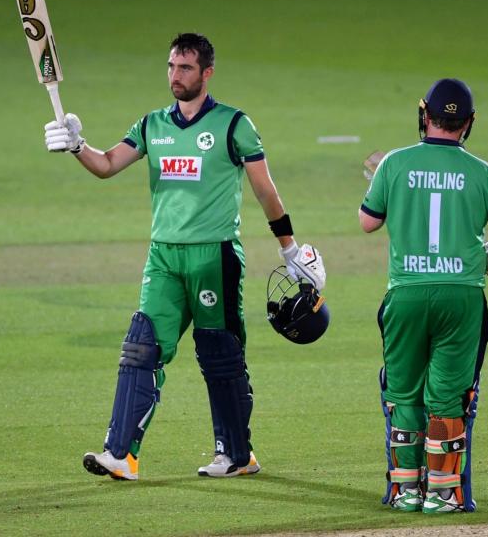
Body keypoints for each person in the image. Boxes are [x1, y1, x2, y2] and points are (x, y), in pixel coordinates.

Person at [43, 33, 326, 481]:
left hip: (215, 256)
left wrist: (288, 246)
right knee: (140, 348)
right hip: (163, 257)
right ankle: (120, 454)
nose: (176, 76)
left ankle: (236, 455)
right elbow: (107, 165)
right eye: (172, 67)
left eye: (186, 68)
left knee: (221, 356)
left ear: (207, 72)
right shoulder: (152, 125)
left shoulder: (235, 125)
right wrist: (78, 146)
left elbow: (264, 188)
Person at [358, 78, 488, 513]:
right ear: (468, 123)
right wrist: (486, 257)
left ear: (424, 114)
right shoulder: (484, 173)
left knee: (404, 393)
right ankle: (443, 493)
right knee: (447, 396)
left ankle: (406, 489)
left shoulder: (394, 164)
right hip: (461, 296)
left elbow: (368, 222)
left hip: (406, 293)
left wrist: (387, 191)